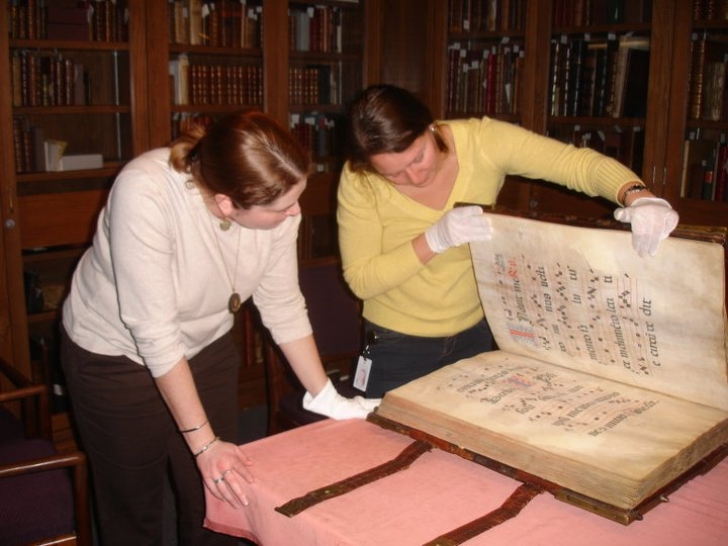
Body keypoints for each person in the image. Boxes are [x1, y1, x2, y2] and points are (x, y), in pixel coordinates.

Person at [60, 109, 378, 546]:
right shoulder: (146, 193)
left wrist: (328, 398)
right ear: (226, 202)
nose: (295, 212)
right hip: (115, 356)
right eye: (281, 207)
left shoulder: (278, 202)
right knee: (134, 502)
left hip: (205, 344)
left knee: (221, 489)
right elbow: (154, 332)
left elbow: (282, 303)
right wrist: (204, 444)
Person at [337, 84, 679, 399]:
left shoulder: (484, 142)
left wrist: (638, 196)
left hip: (476, 334)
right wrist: (433, 240)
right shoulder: (359, 178)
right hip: (395, 344)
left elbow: (577, 165)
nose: (414, 176)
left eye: (417, 157)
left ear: (430, 125)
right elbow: (362, 280)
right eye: (393, 174)